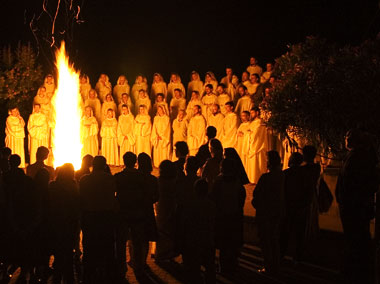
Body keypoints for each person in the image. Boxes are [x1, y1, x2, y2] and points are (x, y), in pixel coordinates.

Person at [335, 129, 379, 284]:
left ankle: (357, 272)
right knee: (356, 238)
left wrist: (348, 199)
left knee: (357, 239)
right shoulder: (355, 156)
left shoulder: (359, 157)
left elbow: (354, 182)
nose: (345, 140)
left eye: (348, 137)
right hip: (351, 205)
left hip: (354, 206)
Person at [79, 156, 118, 283]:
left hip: (90, 216)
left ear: (92, 165)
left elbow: (81, 197)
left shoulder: (84, 179)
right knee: (107, 244)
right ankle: (107, 272)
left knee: (89, 245)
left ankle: (89, 272)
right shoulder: (110, 179)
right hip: (106, 216)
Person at [3, 154, 40, 283]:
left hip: (10, 216)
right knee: (24, 246)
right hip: (24, 216)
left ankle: (6, 269)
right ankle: (25, 271)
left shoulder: (5, 178)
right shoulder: (27, 181)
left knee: (9, 244)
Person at [115, 152, 150, 280]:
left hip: (123, 213)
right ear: (135, 162)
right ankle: (138, 266)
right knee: (137, 241)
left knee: (121, 241)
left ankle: (121, 267)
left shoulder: (118, 176)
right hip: (137, 213)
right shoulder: (141, 177)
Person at [252, 151, 285, 275]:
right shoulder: (281, 176)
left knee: (266, 240)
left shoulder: (266, 178)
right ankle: (275, 264)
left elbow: (257, 194)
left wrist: (258, 204)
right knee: (274, 238)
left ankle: (269, 265)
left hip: (266, 212)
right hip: (276, 211)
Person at [211, 158, 246, 276]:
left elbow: (213, 198)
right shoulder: (237, 182)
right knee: (231, 242)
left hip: (223, 217)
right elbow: (241, 198)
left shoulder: (219, 181)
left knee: (224, 244)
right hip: (234, 216)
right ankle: (232, 265)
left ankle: (224, 267)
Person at [48, 163, 80, 284]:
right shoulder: (74, 186)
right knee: (67, 251)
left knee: (58, 250)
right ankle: (68, 276)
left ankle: (58, 275)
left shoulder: (53, 186)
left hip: (57, 222)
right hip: (70, 223)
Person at [180, 179, 216, 284]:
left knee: (193, 267)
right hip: (207, 239)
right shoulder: (211, 205)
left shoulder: (190, 205)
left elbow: (185, 223)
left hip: (193, 240)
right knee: (209, 265)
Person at [280, 152, 307, 260]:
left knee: (285, 233)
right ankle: (297, 257)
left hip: (289, 207)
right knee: (299, 234)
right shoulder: (305, 174)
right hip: (300, 207)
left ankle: (281, 256)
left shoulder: (286, 173)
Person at [137, 153, 159, 268]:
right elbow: (157, 196)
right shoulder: (152, 179)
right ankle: (143, 261)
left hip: (137, 209)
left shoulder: (136, 178)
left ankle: (136, 259)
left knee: (137, 235)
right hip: (147, 210)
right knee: (145, 237)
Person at [155, 160, 178, 262]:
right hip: (171, 206)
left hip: (162, 206)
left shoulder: (159, 181)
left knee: (162, 229)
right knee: (170, 228)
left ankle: (161, 253)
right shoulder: (175, 181)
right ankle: (168, 252)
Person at [246, 107, 268, 184]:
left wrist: (249, 133)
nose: (251, 115)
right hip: (252, 145)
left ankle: (259, 179)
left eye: (252, 113)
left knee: (259, 163)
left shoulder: (260, 123)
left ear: (257, 113)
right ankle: (252, 179)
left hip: (258, 146)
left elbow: (256, 134)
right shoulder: (253, 123)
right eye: (251, 113)